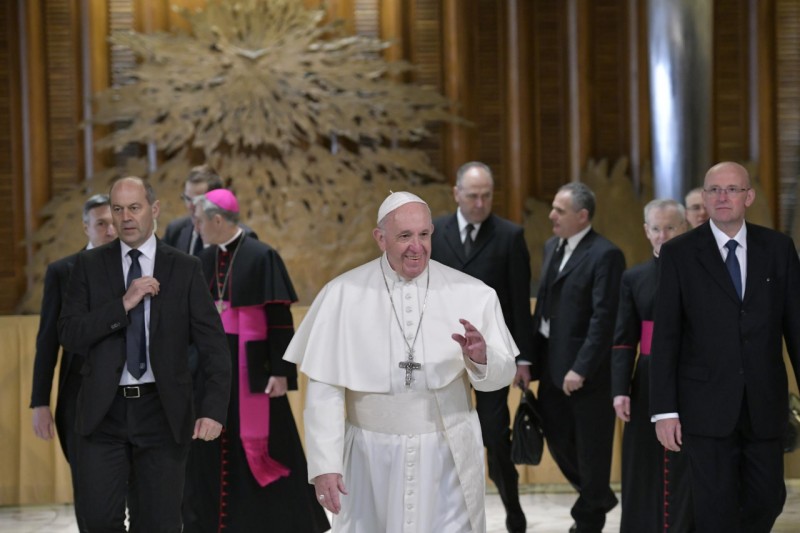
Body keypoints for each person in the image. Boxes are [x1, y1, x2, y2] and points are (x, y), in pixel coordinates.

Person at [284, 192, 518, 532]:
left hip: (447, 456)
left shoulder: (473, 293)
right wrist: (325, 466)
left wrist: (481, 359)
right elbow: (324, 391)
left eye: (424, 234)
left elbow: (502, 375)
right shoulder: (342, 294)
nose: (416, 247)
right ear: (380, 239)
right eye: (405, 236)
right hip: (369, 458)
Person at [58, 176, 232, 532]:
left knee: (158, 523)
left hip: (163, 412)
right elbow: (70, 334)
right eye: (118, 209)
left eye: (134, 208)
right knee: (98, 520)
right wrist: (122, 305)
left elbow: (214, 346)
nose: (126, 217)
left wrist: (213, 410)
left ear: (153, 209)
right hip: (102, 414)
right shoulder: (88, 265)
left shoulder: (184, 267)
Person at [650, 161, 800, 532]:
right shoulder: (679, 253)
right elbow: (665, 336)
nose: (722, 197)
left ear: (748, 197)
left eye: (732, 189)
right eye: (714, 189)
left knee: (768, 498)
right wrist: (664, 410)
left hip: (764, 403)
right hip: (704, 407)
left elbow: (796, 327)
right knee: (714, 508)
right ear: (704, 197)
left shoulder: (778, 248)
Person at [182, 189, 329, 532]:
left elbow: (279, 319)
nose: (196, 227)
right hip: (210, 371)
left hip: (254, 371)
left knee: (269, 447)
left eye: (199, 221)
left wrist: (280, 372)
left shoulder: (262, 256)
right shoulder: (201, 260)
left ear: (218, 219)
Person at [430, 161, 532, 533]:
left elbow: (519, 301)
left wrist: (523, 359)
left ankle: (513, 508)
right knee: (445, 433)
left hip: (490, 356)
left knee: (495, 434)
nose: (479, 203)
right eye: (473, 195)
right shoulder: (434, 232)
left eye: (486, 196)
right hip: (443, 354)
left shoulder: (509, 235)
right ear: (456, 194)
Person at [531, 182, 625, 533]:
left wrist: (580, 368)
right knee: (556, 438)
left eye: (560, 210)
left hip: (587, 374)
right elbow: (544, 307)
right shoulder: (552, 246)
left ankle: (588, 521)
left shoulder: (606, 254)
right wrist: (528, 362)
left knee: (591, 451)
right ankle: (598, 496)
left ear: (582, 216)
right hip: (550, 366)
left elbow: (604, 320)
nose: (551, 215)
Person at [30, 193, 117, 527]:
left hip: (133, 395)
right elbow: (47, 341)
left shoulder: (140, 266)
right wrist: (40, 401)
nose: (110, 230)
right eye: (101, 223)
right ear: (86, 227)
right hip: (80, 397)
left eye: (113, 222)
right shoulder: (63, 271)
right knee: (91, 492)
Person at [611, 199, 693, 532]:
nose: (663, 236)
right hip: (646, 380)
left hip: (692, 377)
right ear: (646, 231)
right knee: (644, 461)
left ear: (684, 228)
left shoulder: (703, 273)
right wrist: (620, 390)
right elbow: (623, 339)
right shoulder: (634, 278)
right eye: (656, 228)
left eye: (670, 227)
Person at [163, 165, 258, 255]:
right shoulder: (175, 230)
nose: (190, 206)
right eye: (187, 199)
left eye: (197, 201)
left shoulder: (243, 237)